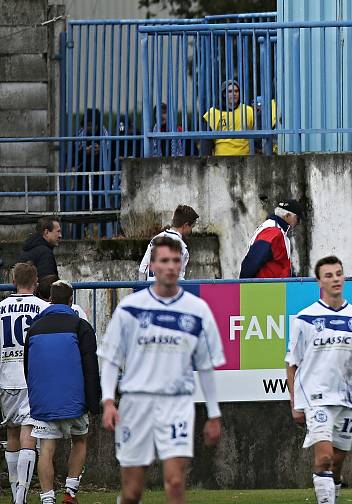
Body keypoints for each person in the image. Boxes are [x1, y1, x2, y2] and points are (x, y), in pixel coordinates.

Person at [99, 236, 225, 504]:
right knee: (132, 491)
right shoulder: (131, 308)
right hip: (136, 403)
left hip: (177, 403)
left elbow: (205, 366)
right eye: (164, 261)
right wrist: (108, 401)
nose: (170, 266)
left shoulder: (197, 310)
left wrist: (214, 414)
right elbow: (111, 358)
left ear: (181, 265)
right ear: (153, 265)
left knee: (176, 483)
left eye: (176, 261)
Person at [286, 256, 352, 504]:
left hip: (346, 398)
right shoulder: (304, 319)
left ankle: (333, 494)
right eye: (328, 275)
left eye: (338, 273)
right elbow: (292, 364)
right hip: (316, 397)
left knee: (337, 463)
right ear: (319, 281)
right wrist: (294, 403)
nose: (335, 279)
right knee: (325, 459)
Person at [24, 280, 101, 504]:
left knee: (46, 449)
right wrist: (93, 402)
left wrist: (36, 397)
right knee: (80, 441)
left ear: (50, 300)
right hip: (75, 401)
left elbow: (28, 367)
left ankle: (47, 499)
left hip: (44, 403)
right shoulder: (80, 326)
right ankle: (70, 492)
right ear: (71, 301)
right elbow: (90, 368)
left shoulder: (34, 328)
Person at [0, 263, 50, 504]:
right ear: (36, 282)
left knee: (11, 432)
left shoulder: (0, 308)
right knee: (28, 432)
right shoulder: (43, 308)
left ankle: (14, 493)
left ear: (13, 281)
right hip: (34, 377)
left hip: (6, 376)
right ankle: (20, 497)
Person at [240, 199, 304, 279]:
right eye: (297, 219)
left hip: (273, 286)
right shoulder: (273, 232)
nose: (298, 223)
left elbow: (279, 266)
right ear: (287, 216)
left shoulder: (275, 230)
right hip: (267, 288)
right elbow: (253, 261)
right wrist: (243, 285)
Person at [138, 205, 199, 281]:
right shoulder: (182, 247)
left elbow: (142, 269)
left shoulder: (155, 239)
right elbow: (179, 279)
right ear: (185, 225)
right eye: (192, 227)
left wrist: (142, 289)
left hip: (150, 289)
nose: (191, 231)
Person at [201, 79, 255, 156]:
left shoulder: (248, 111)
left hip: (244, 160)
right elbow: (206, 144)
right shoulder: (213, 114)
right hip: (221, 161)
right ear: (224, 94)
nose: (234, 94)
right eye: (230, 91)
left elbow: (257, 136)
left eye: (236, 91)